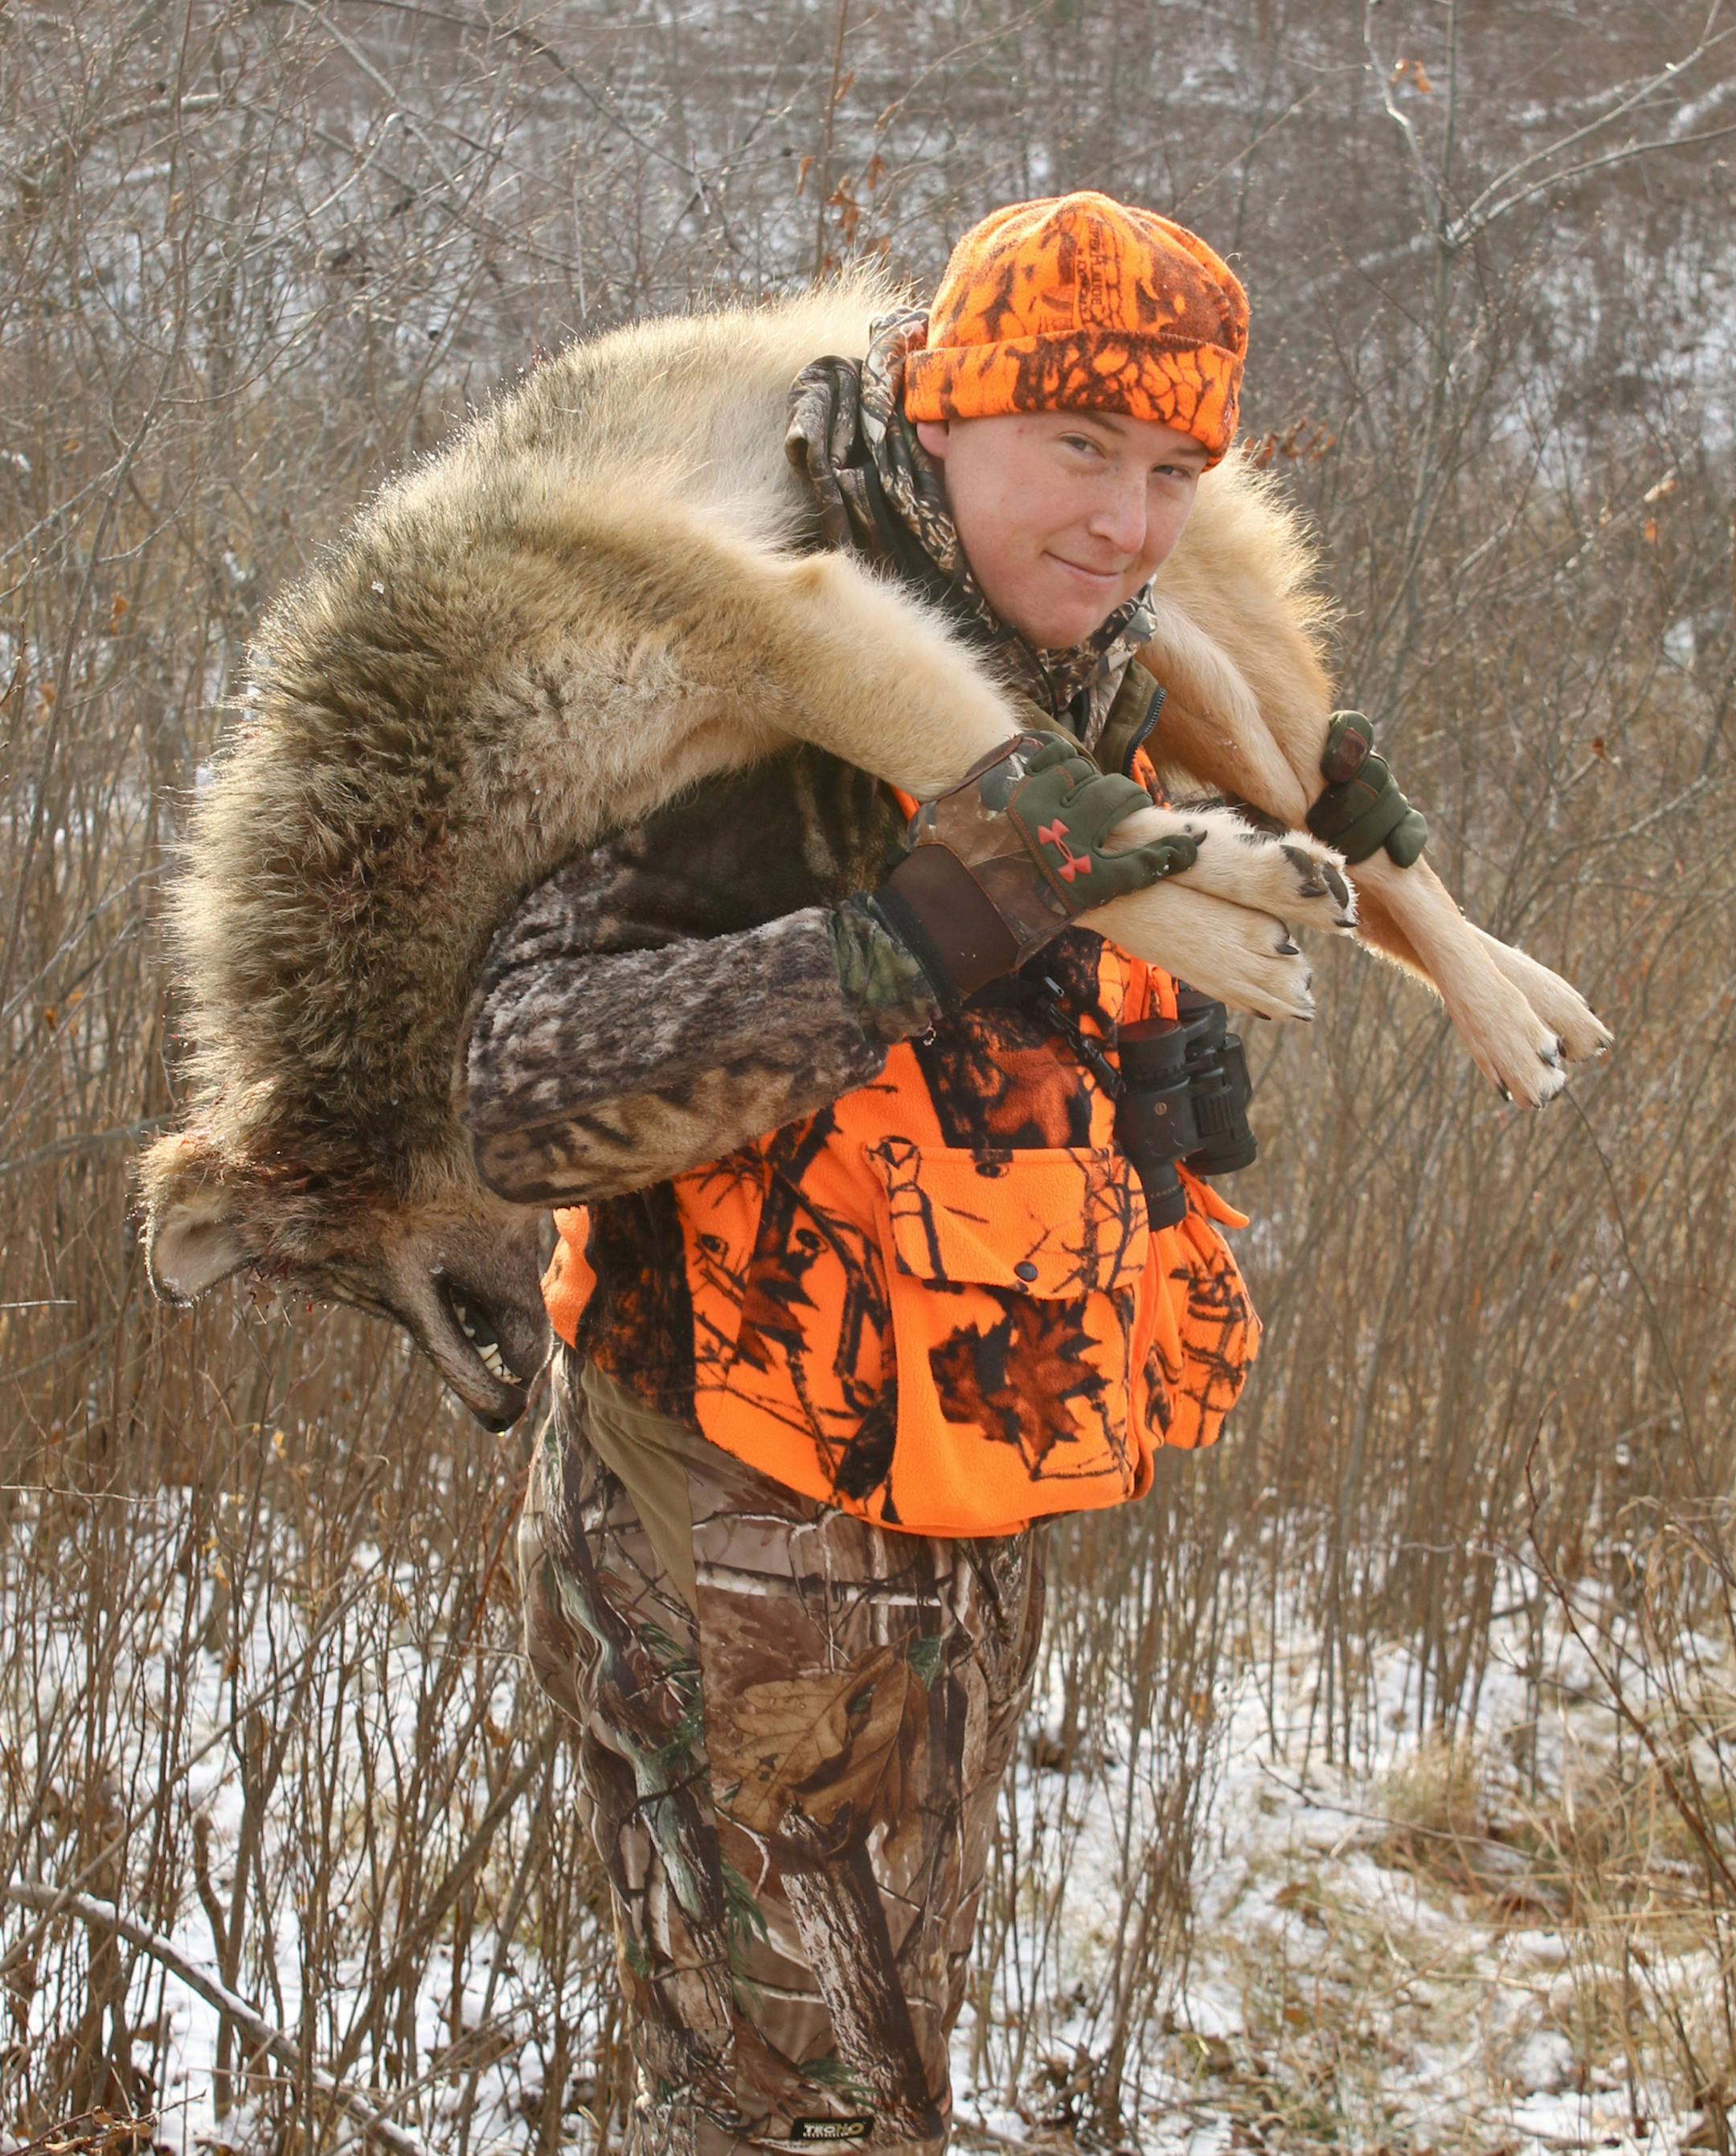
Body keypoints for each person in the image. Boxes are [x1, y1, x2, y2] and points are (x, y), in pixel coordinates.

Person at [464, 192, 1265, 2154]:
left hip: (954, 1524)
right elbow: (522, 1091)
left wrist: (1153, 1080)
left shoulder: (1097, 681)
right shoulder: (775, 666)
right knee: (800, 2126)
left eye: (1173, 472)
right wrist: (910, 937)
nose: (1126, 521)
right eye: (1076, 448)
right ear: (945, 410)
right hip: (735, 1547)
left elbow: (991, 1074)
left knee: (857, 2097)